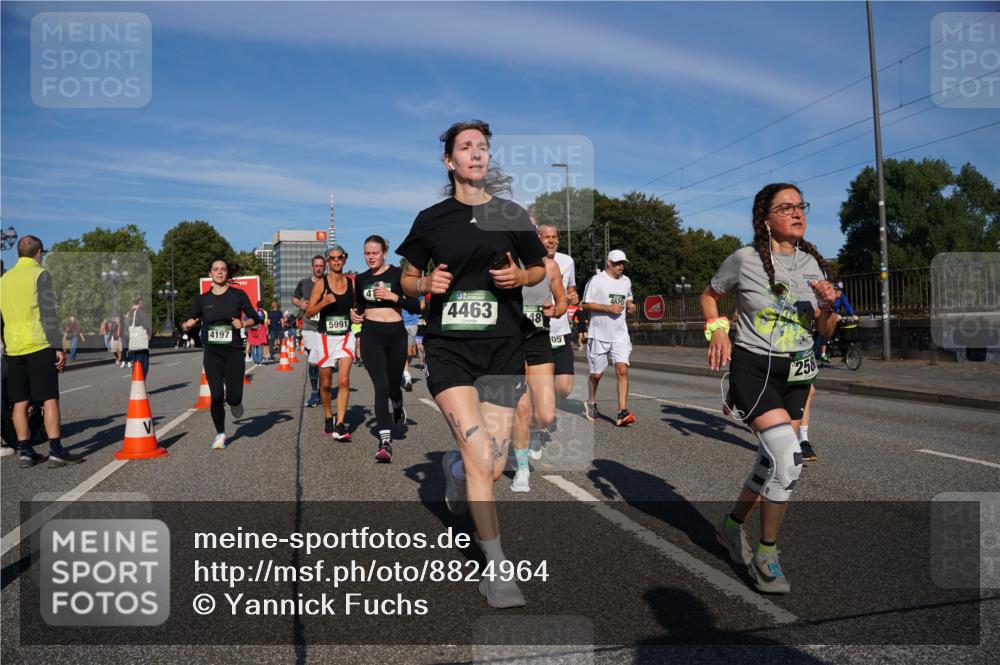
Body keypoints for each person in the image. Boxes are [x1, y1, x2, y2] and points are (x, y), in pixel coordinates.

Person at [398, 119, 546, 608]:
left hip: (502, 347)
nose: (477, 154)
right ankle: (498, 568)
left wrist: (521, 276)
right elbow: (407, 277)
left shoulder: (510, 214)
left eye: (483, 147)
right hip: (448, 348)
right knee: (484, 456)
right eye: (466, 147)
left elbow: (539, 267)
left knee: (495, 461)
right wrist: (426, 287)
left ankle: (455, 470)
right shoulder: (432, 219)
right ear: (450, 161)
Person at [702, 183, 837, 594]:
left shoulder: (812, 264)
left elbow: (824, 331)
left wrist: (829, 308)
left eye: (801, 206)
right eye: (787, 207)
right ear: (767, 219)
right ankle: (766, 553)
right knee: (788, 459)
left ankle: (729, 527)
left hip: (797, 372)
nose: (797, 213)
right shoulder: (744, 260)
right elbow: (709, 296)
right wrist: (718, 329)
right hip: (753, 370)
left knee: (770, 461)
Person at [0, 235, 84, 468]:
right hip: (38, 343)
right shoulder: (40, 274)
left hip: (13, 347)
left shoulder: (4, 279)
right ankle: (56, 450)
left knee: (19, 401)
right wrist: (58, 347)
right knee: (49, 399)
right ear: (38, 253)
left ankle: (26, 451)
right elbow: (48, 313)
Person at [181, 259, 260, 450]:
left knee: (233, 397)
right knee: (216, 396)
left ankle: (235, 403)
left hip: (233, 351)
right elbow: (187, 322)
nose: (219, 272)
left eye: (223, 270)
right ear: (210, 273)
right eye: (215, 270)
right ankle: (220, 433)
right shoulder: (203, 300)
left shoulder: (238, 295)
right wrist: (187, 325)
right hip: (212, 352)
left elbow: (256, 318)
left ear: (227, 274)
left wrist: (244, 324)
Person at [355, 235, 421, 462]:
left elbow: (416, 305)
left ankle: (398, 402)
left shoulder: (397, 274)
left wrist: (394, 296)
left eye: (374, 253)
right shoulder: (361, 278)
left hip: (396, 335)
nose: (370, 257)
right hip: (371, 335)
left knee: (393, 384)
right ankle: (385, 441)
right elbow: (359, 308)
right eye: (367, 253)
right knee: (380, 387)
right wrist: (354, 315)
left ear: (384, 253)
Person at [510, 237, 567, 492]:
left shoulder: (550, 266)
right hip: (510, 339)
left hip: (539, 339)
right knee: (521, 408)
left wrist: (555, 310)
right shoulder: (506, 263)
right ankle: (522, 470)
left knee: (545, 415)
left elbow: (563, 302)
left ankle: (533, 433)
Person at [304, 246, 357, 441]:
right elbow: (309, 312)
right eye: (332, 258)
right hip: (325, 338)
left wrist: (357, 315)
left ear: (344, 260)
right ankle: (328, 416)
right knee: (325, 384)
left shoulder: (352, 284)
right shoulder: (321, 284)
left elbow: (357, 306)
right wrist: (323, 303)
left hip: (345, 336)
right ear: (327, 261)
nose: (336, 261)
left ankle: (341, 425)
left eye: (339, 258)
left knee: (343, 381)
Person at [582, 250, 637, 426]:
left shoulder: (626, 281)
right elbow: (585, 304)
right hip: (598, 335)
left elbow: (628, 298)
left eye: (623, 263)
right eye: (617, 263)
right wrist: (608, 308)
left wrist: (630, 306)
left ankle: (622, 412)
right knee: (597, 375)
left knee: (622, 370)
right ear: (608, 263)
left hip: (620, 334)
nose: (621, 266)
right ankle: (591, 402)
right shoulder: (596, 280)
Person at [536, 222, 579, 414]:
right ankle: (541, 414)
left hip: (561, 330)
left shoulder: (567, 261)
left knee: (564, 387)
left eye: (554, 237)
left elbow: (571, 289)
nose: (551, 241)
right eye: (547, 237)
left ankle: (545, 405)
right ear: (539, 238)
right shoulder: (530, 261)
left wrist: (572, 296)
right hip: (537, 330)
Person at [293, 257, 326, 406]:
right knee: (313, 360)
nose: (318, 268)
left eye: (321, 266)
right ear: (311, 267)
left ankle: (322, 389)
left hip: (325, 326)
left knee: (324, 362)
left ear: (324, 267)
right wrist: (301, 303)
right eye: (316, 266)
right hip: (309, 326)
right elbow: (294, 298)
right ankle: (314, 392)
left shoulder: (329, 282)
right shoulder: (304, 283)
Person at [818, 282, 855, 363]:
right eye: (838, 289)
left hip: (835, 316)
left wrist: (852, 314)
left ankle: (845, 354)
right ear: (834, 289)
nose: (839, 291)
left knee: (839, 335)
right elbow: (824, 306)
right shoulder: (829, 295)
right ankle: (823, 354)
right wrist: (831, 312)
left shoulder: (841, 295)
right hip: (826, 315)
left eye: (841, 290)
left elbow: (846, 304)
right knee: (826, 333)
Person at [124, 294, 152, 378]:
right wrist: (149, 335)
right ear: (140, 301)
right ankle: (141, 389)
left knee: (136, 365)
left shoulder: (128, 313)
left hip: (132, 342)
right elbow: (147, 325)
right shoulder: (140, 312)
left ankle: (136, 387)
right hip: (141, 343)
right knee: (143, 365)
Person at [246, 300, 269, 366]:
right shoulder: (264, 312)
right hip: (261, 328)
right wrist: (267, 330)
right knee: (259, 345)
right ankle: (259, 361)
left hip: (253, 328)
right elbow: (265, 322)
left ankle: (255, 361)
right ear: (263, 305)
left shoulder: (254, 310)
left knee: (253, 344)